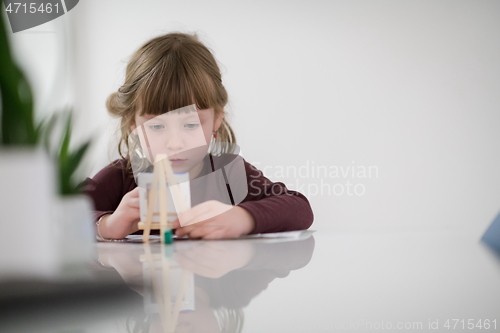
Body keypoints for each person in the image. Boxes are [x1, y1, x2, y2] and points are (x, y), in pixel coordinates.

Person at [83, 32, 313, 240]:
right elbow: (60, 215)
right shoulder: (121, 177)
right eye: (157, 127)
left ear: (216, 120)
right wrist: (105, 225)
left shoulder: (228, 173)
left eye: (190, 124)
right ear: (134, 124)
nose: (175, 143)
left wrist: (243, 217)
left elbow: (299, 208)